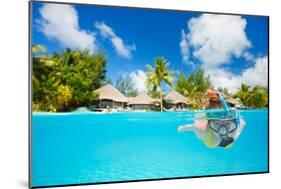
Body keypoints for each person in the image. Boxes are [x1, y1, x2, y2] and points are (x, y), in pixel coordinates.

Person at [178, 89, 245, 148]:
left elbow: (243, 123)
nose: (223, 131)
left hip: (224, 141)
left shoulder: (237, 125)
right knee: (201, 130)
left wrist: (233, 138)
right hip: (210, 140)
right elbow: (192, 127)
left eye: (227, 124)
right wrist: (183, 128)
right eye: (216, 124)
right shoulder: (202, 130)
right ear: (210, 122)